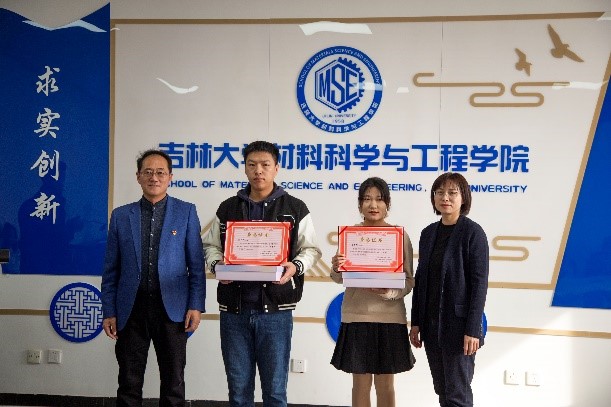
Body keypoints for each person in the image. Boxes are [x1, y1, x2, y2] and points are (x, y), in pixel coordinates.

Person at [202, 140, 322, 407]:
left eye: (265, 164)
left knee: (275, 391)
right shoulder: (228, 208)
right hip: (234, 310)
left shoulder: (295, 208)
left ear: (276, 168)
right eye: (252, 164)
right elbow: (210, 246)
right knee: (238, 392)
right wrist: (217, 265)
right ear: (245, 168)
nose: (258, 170)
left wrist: (295, 266)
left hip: (276, 312)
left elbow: (310, 249)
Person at [101, 149, 206, 407]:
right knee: (129, 380)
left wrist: (195, 305)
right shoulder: (121, 216)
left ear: (170, 177)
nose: (154, 177)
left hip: (172, 309)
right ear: (138, 176)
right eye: (148, 172)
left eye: (160, 172)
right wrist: (109, 310)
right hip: (131, 309)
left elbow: (196, 266)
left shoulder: (186, 212)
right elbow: (111, 269)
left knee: (173, 381)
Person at [330, 176, 416, 407]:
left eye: (379, 199)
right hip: (357, 316)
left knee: (385, 385)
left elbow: (409, 280)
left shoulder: (399, 236)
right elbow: (338, 278)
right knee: (360, 384)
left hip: (390, 318)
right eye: (367, 199)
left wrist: (389, 292)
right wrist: (336, 266)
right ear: (360, 205)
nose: (373, 205)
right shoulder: (350, 235)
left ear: (388, 204)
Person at [409, 172, 489, 407]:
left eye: (452, 193)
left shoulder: (473, 233)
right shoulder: (428, 233)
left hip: (460, 329)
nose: (445, 197)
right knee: (442, 390)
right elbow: (421, 280)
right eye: (440, 192)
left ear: (463, 198)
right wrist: (416, 322)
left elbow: (479, 284)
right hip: (432, 326)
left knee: (457, 394)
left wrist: (472, 330)